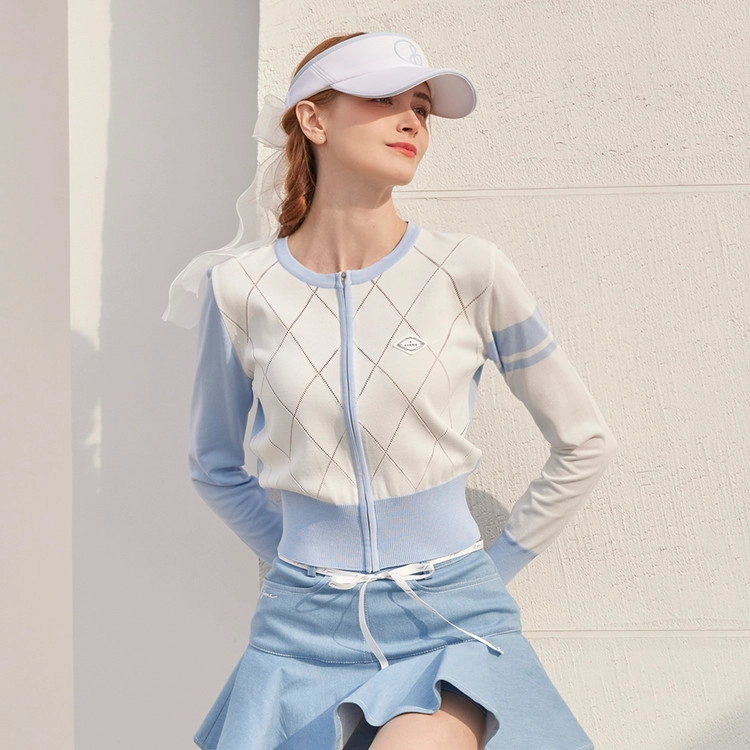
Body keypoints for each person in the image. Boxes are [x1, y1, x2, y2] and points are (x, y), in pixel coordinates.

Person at [166, 31, 617, 750]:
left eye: (422, 108)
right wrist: (298, 559)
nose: (412, 121)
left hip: (449, 621)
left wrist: (492, 569)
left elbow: (585, 442)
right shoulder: (241, 289)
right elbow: (213, 464)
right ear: (313, 119)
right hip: (300, 632)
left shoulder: (468, 270)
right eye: (384, 99)